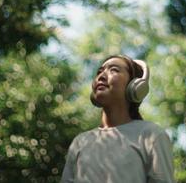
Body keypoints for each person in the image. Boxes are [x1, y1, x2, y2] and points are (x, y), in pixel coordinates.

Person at [61, 54, 175, 183]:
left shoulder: (151, 135)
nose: (102, 76)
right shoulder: (80, 142)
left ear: (135, 85)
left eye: (114, 70)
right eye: (99, 71)